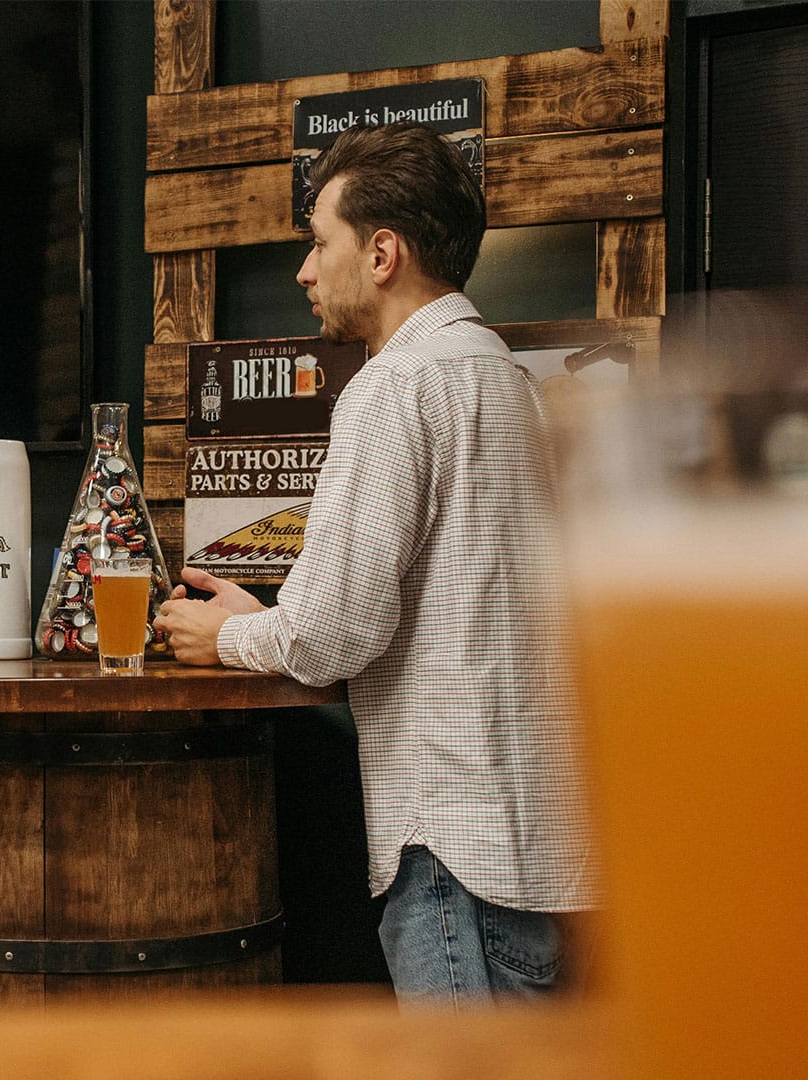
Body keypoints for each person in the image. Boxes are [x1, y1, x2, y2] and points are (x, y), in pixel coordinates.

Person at [152, 124, 596, 1006]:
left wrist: (230, 637)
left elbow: (333, 632)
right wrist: (254, 615)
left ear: (383, 252)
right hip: (542, 852)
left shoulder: (394, 386)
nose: (305, 272)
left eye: (320, 242)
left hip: (454, 853)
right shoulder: (507, 379)